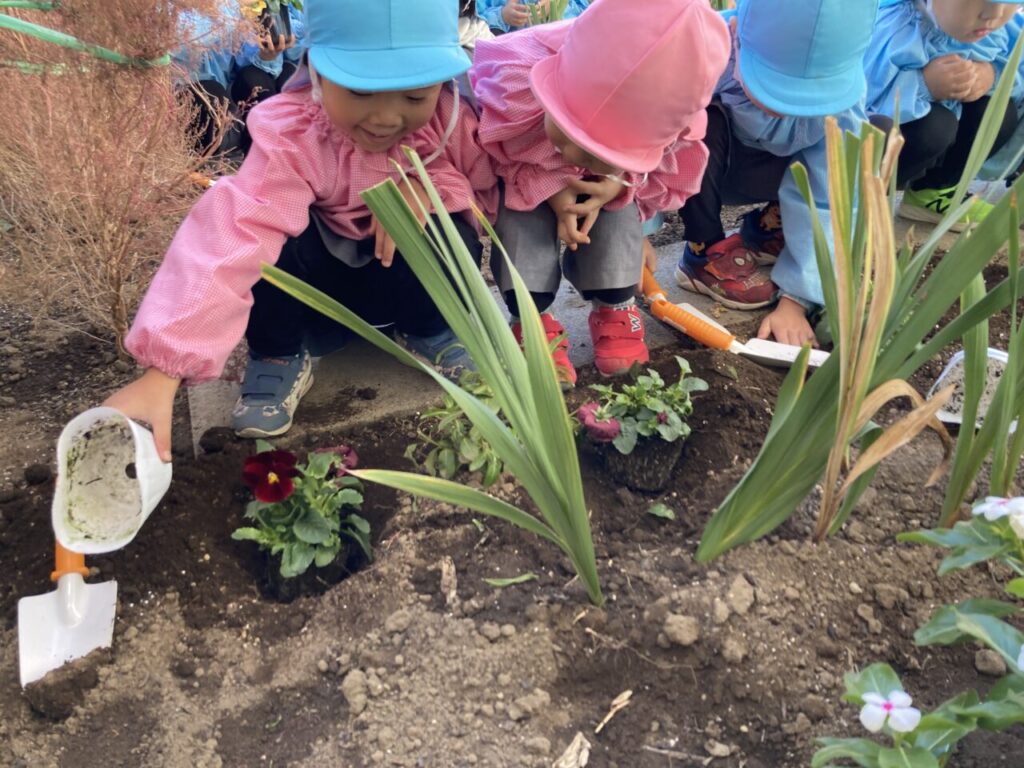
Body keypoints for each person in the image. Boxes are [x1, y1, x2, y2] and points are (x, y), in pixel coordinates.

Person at [104, 0, 499, 456]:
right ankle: (279, 351)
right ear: (316, 73)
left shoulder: (449, 122)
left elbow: (486, 193)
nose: (387, 118)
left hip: (399, 288)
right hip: (320, 299)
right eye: (360, 91)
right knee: (270, 235)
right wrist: (165, 367)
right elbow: (236, 232)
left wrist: (428, 191)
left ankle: (428, 329)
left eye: (414, 97)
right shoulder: (296, 134)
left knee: (451, 230)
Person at [470, 0, 730, 387]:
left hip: (608, 191)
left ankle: (614, 305)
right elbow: (500, 152)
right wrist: (552, 188)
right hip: (526, 178)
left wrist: (620, 186)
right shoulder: (516, 84)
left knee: (618, 225)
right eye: (566, 133)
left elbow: (652, 174)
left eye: (599, 153)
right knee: (520, 224)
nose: (574, 156)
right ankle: (531, 316)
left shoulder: (665, 114)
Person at [675, 0, 879, 347]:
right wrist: (637, 233)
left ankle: (770, 227)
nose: (789, 108)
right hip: (711, 172)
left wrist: (797, 299)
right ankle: (704, 250)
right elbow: (645, 133)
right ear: (737, 35)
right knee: (701, 123)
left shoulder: (843, 107)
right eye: (775, 89)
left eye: (812, 99)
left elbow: (834, 195)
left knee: (859, 146)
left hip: (775, 174)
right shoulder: (701, 53)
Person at [865, 0, 1021, 231]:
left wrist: (992, 75)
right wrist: (923, 84)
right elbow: (866, 102)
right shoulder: (899, 31)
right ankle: (860, 200)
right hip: (899, 144)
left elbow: (1017, 70)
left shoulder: (998, 30)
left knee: (997, 111)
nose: (994, 13)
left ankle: (934, 190)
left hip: (947, 132)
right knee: (935, 127)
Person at [477, 0, 589, 35]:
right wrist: (502, 16)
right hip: (517, 54)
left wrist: (556, 4)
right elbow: (476, 18)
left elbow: (584, 11)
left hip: (560, 51)